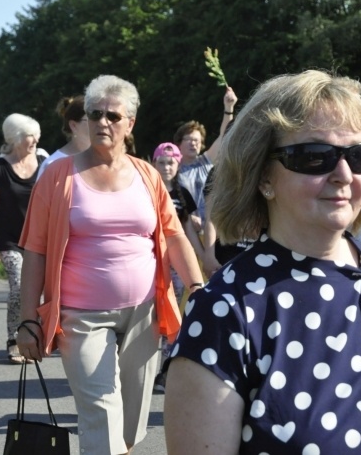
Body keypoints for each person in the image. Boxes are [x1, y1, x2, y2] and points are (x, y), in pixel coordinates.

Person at [164, 70, 361, 454]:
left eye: (358, 155)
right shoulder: (224, 309)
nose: (343, 174)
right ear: (263, 177)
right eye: (315, 157)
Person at [16, 75, 204, 455]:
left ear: (129, 123)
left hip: (145, 312)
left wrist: (198, 288)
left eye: (113, 116)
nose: (102, 122)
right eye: (94, 114)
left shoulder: (148, 175)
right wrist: (27, 319)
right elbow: (35, 250)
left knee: (129, 423)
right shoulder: (57, 176)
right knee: (102, 413)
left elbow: (174, 236)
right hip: (80, 316)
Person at [0, 113, 44, 364]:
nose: (35, 140)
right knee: (19, 287)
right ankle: (14, 339)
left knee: (39, 291)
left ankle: (35, 336)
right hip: (9, 240)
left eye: (37, 135)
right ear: (15, 138)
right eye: (30, 136)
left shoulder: (44, 163)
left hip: (39, 240)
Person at [151, 141, 205, 392]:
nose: (166, 167)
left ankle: (165, 370)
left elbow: (187, 232)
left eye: (171, 162)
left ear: (178, 165)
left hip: (175, 265)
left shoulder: (183, 193)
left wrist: (203, 257)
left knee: (174, 316)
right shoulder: (147, 188)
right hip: (151, 263)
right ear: (154, 163)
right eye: (161, 162)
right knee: (151, 317)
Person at [174, 86, 238, 229]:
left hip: (212, 228)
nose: (193, 143)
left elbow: (225, 136)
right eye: (189, 140)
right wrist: (188, 216)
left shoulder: (205, 161)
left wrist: (229, 107)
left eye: (197, 140)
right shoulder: (172, 169)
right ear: (178, 143)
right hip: (187, 229)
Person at [38, 95, 91, 179]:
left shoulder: (108, 160)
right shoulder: (52, 164)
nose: (101, 124)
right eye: (92, 119)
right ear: (73, 126)